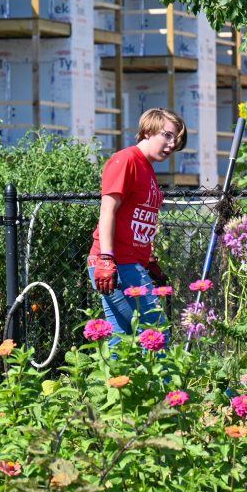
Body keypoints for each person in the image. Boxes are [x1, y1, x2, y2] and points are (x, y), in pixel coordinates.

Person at [87, 108, 187, 337]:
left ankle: (117, 375)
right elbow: (107, 210)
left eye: (176, 140)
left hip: (130, 263)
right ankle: (163, 375)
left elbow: (138, 219)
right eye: (168, 135)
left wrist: (147, 259)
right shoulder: (126, 160)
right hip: (118, 264)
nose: (172, 145)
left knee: (121, 341)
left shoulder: (147, 169)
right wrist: (106, 258)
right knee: (157, 332)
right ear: (147, 131)